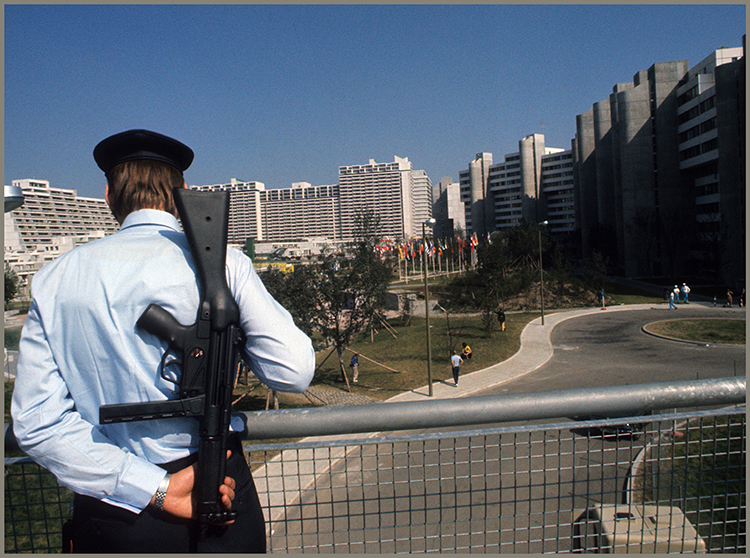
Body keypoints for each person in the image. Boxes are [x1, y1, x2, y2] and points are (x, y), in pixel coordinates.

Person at [10, 129, 315, 553]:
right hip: (223, 490)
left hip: (118, 513)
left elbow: (38, 423)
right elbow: (294, 370)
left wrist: (155, 487)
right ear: (183, 192)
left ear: (108, 196)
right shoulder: (224, 262)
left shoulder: (57, 278)